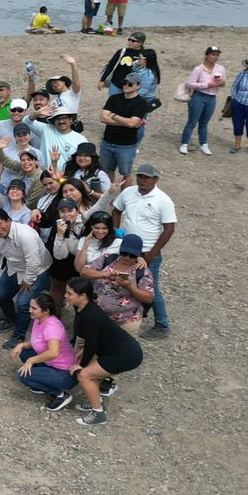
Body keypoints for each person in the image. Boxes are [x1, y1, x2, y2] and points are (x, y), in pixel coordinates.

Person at [63, 277, 143, 427]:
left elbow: (92, 344)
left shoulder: (91, 315)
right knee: (90, 372)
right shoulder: (82, 307)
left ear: (83, 296)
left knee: (85, 375)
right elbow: (89, 339)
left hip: (125, 355)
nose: (66, 296)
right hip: (116, 350)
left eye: (69, 293)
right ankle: (96, 400)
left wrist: (82, 366)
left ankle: (98, 414)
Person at [112, 162, 175, 334]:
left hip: (148, 251)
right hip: (126, 250)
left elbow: (169, 228)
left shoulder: (163, 200)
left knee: (150, 288)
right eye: (140, 176)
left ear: (156, 179)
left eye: (146, 177)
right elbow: (116, 210)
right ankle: (126, 316)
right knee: (121, 282)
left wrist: (152, 254)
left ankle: (162, 324)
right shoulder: (128, 192)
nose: (142, 180)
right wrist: (118, 235)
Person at [9, 292, 77, 410]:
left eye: (34, 308)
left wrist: (31, 361)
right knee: (24, 352)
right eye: (30, 307)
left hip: (64, 373)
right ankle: (41, 381)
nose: (30, 310)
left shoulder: (52, 327)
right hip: (51, 364)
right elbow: (37, 342)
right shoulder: (38, 319)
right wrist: (21, 345)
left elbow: (53, 352)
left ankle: (60, 395)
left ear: (46, 310)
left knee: (23, 376)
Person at [0, 209, 46, 348]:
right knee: (1, 295)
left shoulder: (25, 235)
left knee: (23, 303)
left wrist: (27, 281)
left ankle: (19, 335)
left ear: (8, 220)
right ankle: (11, 319)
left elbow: (34, 261)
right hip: (14, 266)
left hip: (36, 270)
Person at [79, 232, 156, 332]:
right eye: (124, 253)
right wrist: (105, 274)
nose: (127, 257)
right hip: (96, 314)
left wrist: (130, 287)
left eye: (132, 255)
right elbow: (84, 272)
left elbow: (149, 298)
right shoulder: (107, 259)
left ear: (138, 255)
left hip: (125, 320)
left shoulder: (142, 272)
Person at [97, 71, 151, 176]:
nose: (126, 85)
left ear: (138, 85)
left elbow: (132, 123)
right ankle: (108, 191)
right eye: (125, 83)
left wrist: (113, 115)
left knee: (125, 174)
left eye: (130, 84)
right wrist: (126, 122)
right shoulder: (114, 98)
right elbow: (103, 118)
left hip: (126, 146)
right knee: (105, 172)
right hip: (107, 142)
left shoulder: (141, 103)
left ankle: (126, 192)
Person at [177, 46, 227, 155]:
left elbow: (224, 83)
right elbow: (189, 83)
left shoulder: (220, 68)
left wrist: (221, 83)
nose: (215, 57)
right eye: (213, 54)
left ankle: (203, 144)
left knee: (204, 123)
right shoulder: (198, 69)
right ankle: (184, 144)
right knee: (192, 122)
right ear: (207, 55)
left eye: (217, 54)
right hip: (198, 97)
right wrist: (206, 85)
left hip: (212, 98)